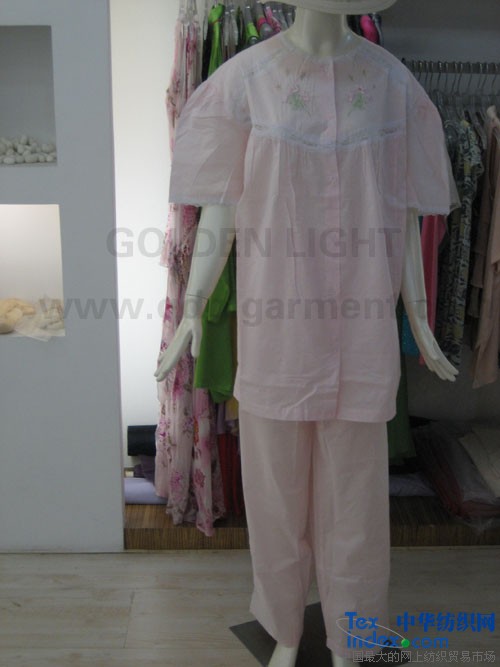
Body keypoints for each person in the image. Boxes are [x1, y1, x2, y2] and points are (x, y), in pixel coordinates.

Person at [156, 1, 459, 665]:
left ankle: (353, 636)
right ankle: (285, 628)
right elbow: (221, 212)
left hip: (362, 332)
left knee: (357, 504)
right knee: (274, 495)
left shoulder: (393, 85)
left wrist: (418, 316)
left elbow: (406, 213)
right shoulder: (244, 82)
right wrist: (192, 307)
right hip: (278, 329)